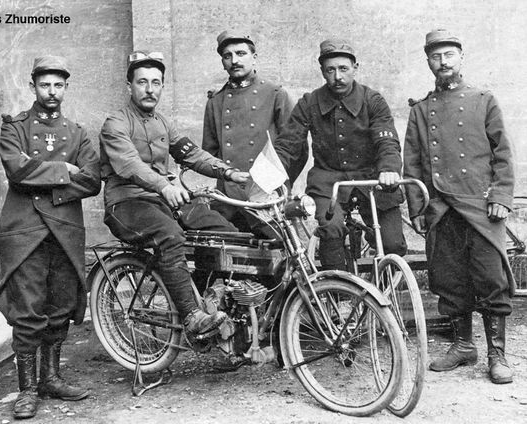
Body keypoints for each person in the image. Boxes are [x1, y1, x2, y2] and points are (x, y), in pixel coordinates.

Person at [100, 51, 249, 338]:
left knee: (224, 232)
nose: (149, 89)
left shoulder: (164, 123)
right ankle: (192, 317)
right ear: (128, 86)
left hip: (161, 199)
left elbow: (191, 153)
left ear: (162, 87)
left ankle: (212, 299)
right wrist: (166, 187)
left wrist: (227, 172)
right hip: (127, 202)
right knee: (170, 235)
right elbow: (130, 165)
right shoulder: (115, 124)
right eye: (142, 82)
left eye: (156, 83)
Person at [0, 55, 100, 419]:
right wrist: (64, 170)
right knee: (28, 311)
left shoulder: (78, 132)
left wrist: (48, 181)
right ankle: (26, 390)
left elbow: (92, 180)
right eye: (44, 85)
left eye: (58, 85)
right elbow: (17, 170)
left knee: (61, 307)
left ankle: (51, 377)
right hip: (26, 232)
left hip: (65, 232)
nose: (51, 92)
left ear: (66, 88)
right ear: (32, 86)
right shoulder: (15, 127)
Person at [403, 29, 515, 384]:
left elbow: (502, 153)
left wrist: (500, 197)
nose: (443, 62)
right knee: (449, 280)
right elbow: (413, 164)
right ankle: (463, 345)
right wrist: (419, 209)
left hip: (481, 207)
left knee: (490, 279)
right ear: (428, 62)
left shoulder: (484, 99)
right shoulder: (421, 111)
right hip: (442, 209)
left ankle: (498, 354)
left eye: (449, 55)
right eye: (436, 57)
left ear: (461, 56)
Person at [274, 38, 406, 270]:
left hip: (372, 179)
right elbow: (288, 145)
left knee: (392, 242)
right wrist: (269, 179)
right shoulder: (309, 102)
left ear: (355, 68)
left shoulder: (372, 100)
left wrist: (388, 169)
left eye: (344, 69)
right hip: (329, 182)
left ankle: (383, 289)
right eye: (330, 70)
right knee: (331, 230)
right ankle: (339, 295)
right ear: (323, 72)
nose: (338, 77)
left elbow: (387, 140)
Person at [202, 31, 294, 235]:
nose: (234, 60)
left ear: (254, 57)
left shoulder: (275, 94)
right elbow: (208, 152)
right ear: (222, 62)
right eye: (227, 56)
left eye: (241, 53)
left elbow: (295, 147)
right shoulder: (215, 101)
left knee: (278, 253)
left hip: (267, 194)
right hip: (228, 197)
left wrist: (280, 186)